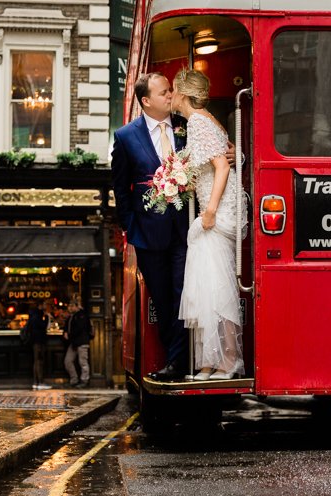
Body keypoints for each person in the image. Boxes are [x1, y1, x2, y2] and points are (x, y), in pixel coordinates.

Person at [111, 71, 237, 382]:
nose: (170, 95)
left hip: (187, 228)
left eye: (171, 91)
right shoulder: (126, 136)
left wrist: (231, 153)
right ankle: (176, 358)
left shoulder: (185, 126)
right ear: (146, 100)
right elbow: (120, 188)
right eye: (164, 92)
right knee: (164, 300)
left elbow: (218, 149)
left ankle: (180, 364)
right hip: (148, 235)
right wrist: (132, 229)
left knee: (186, 294)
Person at [173, 68, 247, 380]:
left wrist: (212, 209)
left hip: (215, 213)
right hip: (212, 207)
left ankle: (229, 361)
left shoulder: (199, 122)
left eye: (175, 90)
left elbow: (221, 167)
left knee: (217, 289)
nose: (172, 96)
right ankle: (210, 362)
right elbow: (219, 160)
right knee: (206, 287)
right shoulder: (205, 119)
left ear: (184, 93)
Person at [63, 297, 93, 388]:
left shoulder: (81, 315)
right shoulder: (72, 316)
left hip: (81, 342)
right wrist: (65, 332)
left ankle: (84, 380)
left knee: (83, 362)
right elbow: (67, 326)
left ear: (77, 306)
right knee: (68, 361)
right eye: (69, 306)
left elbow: (80, 328)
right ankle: (74, 379)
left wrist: (69, 334)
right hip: (74, 343)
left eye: (72, 306)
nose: (70, 308)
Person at [27, 301, 50, 390]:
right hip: (39, 340)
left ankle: (36, 382)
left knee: (37, 360)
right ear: (40, 305)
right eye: (45, 304)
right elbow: (43, 326)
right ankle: (39, 382)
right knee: (39, 360)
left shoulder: (33, 314)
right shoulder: (37, 315)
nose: (46, 306)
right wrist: (47, 317)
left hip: (35, 340)